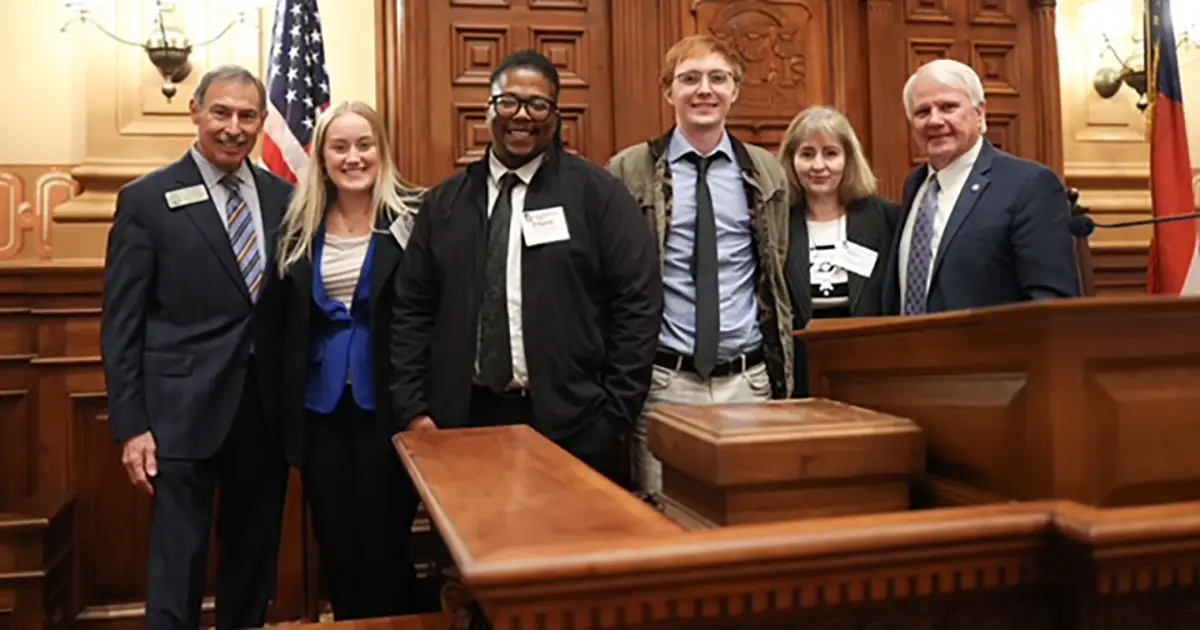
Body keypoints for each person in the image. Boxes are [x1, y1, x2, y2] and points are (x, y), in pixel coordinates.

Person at [389, 50, 662, 486]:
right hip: (462, 422)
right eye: (509, 101)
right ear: (489, 108)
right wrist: (414, 410)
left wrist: (613, 414)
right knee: (476, 550)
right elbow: (412, 311)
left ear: (556, 116)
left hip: (573, 424)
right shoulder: (445, 205)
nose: (522, 115)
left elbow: (638, 304)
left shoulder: (599, 197)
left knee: (567, 550)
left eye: (538, 104)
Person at [100, 65, 291, 630]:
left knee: (253, 561)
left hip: (264, 413)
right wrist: (132, 426)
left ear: (261, 121)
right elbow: (122, 323)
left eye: (247, 115)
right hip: (179, 416)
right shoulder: (147, 200)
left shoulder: (285, 198)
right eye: (222, 112)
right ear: (196, 112)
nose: (234, 127)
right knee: (177, 565)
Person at [606, 35, 792, 497]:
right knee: (666, 526)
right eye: (689, 78)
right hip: (665, 382)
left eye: (717, 78)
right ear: (669, 92)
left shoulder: (767, 172)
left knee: (750, 516)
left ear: (735, 90)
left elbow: (776, 271)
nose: (704, 90)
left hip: (748, 381)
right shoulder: (629, 170)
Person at [276, 101, 424, 620]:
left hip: (389, 401)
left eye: (365, 145)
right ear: (322, 157)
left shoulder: (413, 216)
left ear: (382, 150)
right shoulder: (298, 221)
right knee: (337, 541)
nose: (353, 157)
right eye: (340, 146)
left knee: (385, 542)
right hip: (320, 407)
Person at [882, 59, 1080, 315]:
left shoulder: (1029, 185)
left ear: (979, 114)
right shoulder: (916, 185)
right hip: (906, 351)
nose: (934, 121)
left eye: (948, 107)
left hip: (990, 353)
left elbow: (1051, 303)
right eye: (922, 112)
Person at [777, 106, 901, 396]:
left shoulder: (885, 219)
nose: (819, 165)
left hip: (870, 370)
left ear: (848, 159)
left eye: (830, 153)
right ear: (791, 160)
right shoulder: (778, 222)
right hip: (800, 372)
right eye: (807, 154)